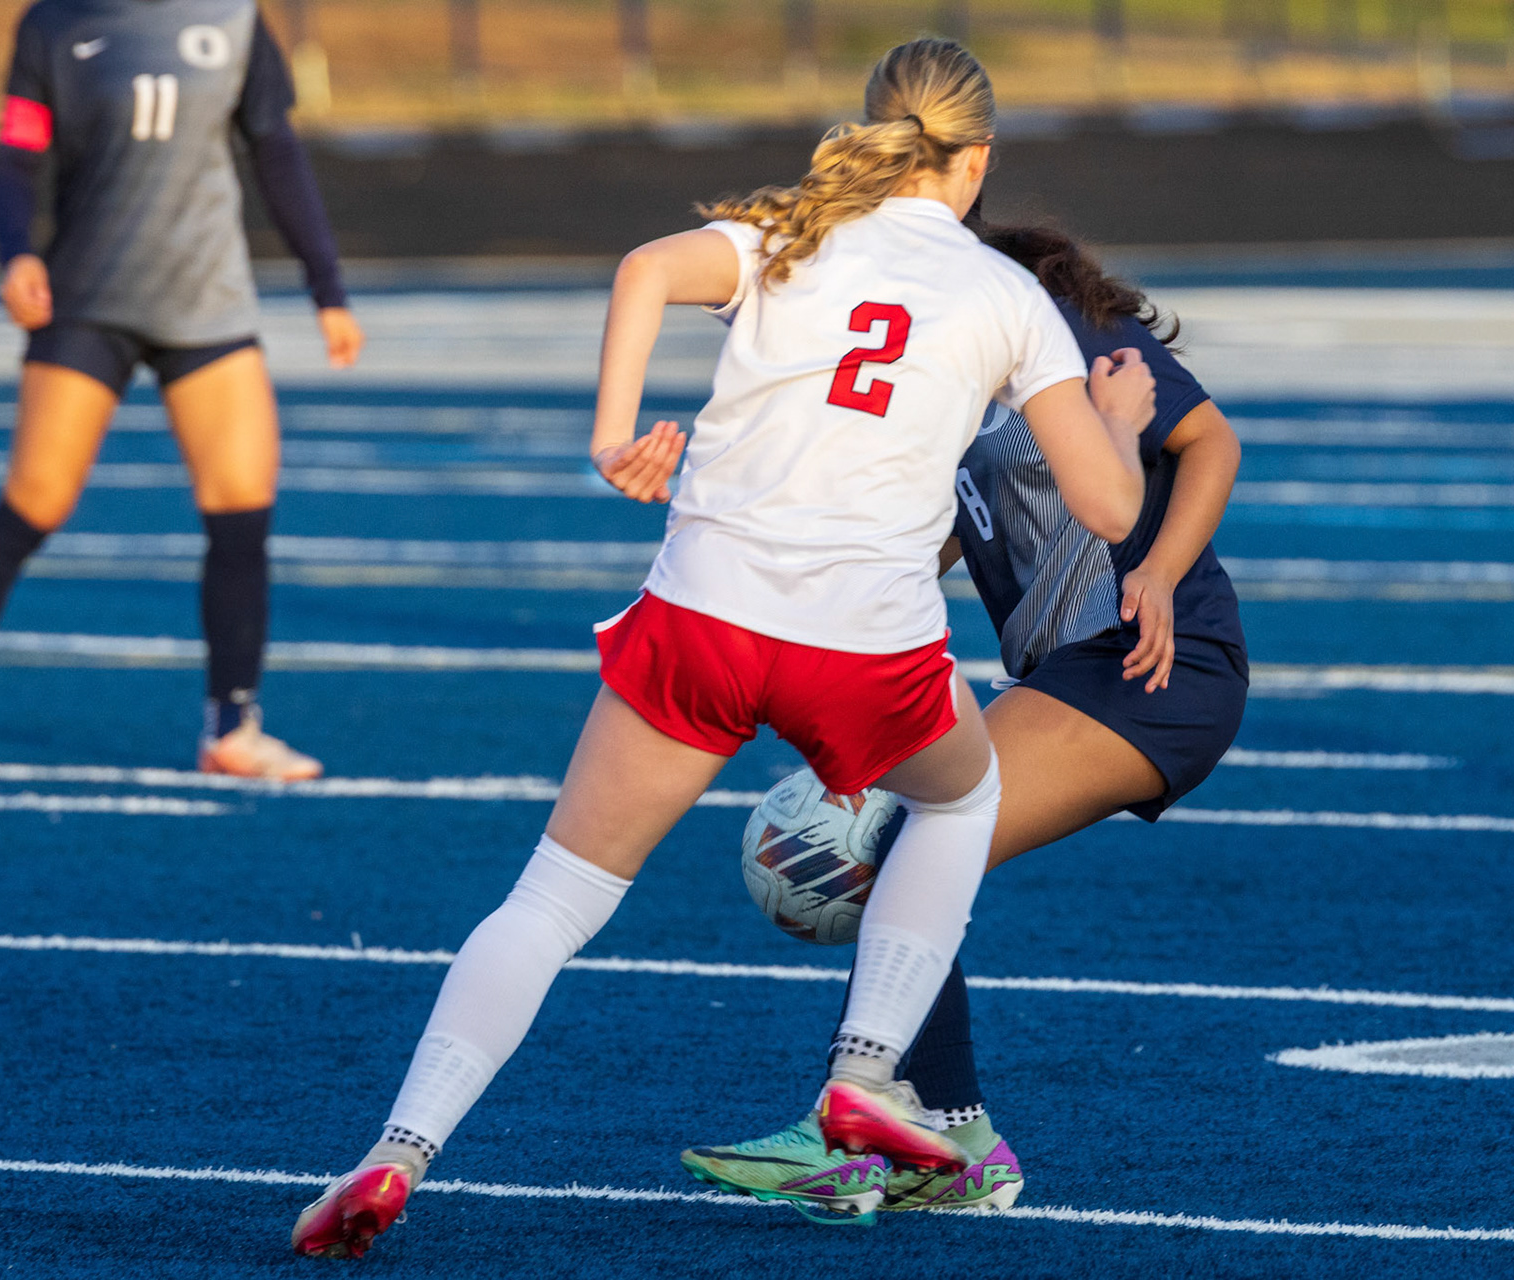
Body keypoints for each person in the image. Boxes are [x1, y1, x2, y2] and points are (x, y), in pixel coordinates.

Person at [290, 37, 1156, 1258]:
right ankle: (865, 1073)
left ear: (874, 127)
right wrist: (1116, 422)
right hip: (865, 647)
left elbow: (645, 267)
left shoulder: (784, 231)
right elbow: (1108, 509)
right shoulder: (1007, 296)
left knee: (552, 897)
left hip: (703, 617)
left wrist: (614, 438)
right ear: (978, 161)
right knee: (959, 803)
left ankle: (398, 1148)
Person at [680, 213, 1249, 1223]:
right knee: (905, 849)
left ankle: (915, 1134)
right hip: (1075, 668)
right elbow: (932, 537)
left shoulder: (1057, 325)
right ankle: (929, 1135)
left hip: (1154, 660)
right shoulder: (943, 368)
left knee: (908, 840)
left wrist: (1160, 571)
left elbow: (1210, 439)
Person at [0, 0, 364, 782]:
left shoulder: (235, 18)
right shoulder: (54, 23)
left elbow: (276, 148)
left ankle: (231, 728)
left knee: (242, 504)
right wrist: (16, 254)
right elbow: (15, 157)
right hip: (87, 301)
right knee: (34, 503)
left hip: (205, 304)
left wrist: (328, 289)